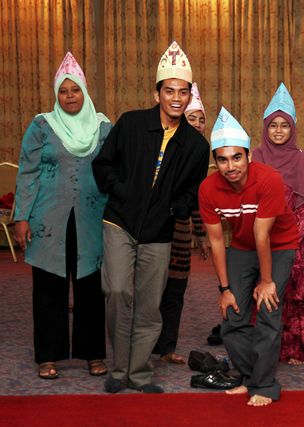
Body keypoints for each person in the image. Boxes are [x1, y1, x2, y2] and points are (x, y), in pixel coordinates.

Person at [92, 41, 210, 393]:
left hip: (160, 232)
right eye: (169, 91)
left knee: (148, 305)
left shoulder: (196, 146)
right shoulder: (131, 123)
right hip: (119, 222)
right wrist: (123, 191)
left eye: (183, 92)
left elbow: (193, 190)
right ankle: (119, 370)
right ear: (156, 93)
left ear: (189, 96)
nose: (176, 98)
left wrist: (175, 209)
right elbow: (103, 165)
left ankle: (140, 373)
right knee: (117, 291)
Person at [14, 52, 111, 380]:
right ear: (57, 95)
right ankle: (48, 355)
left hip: (91, 219)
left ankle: (93, 353)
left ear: (85, 91)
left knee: (91, 287)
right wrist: (21, 217)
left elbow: (115, 172)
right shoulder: (42, 125)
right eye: (63, 91)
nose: (69, 96)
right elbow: (27, 172)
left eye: (75, 90)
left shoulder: (103, 127)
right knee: (48, 287)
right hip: (47, 220)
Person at [198, 107, 299, 406]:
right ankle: (250, 376)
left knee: (268, 309)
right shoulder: (207, 189)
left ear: (249, 156)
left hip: (279, 245)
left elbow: (262, 235)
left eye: (237, 157)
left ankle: (265, 385)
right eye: (223, 159)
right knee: (232, 315)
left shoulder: (269, 179)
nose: (231, 166)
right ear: (215, 162)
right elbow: (217, 241)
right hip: (242, 247)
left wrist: (266, 281)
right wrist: (225, 289)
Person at [252, 83, 304, 365]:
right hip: (260, 235)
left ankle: (294, 349)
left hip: (293, 237)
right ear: (265, 128)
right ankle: (265, 347)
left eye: (284, 125)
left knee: (292, 290)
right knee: (262, 287)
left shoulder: (302, 160)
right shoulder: (256, 157)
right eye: (273, 125)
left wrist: (291, 241)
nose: (278, 131)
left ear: (293, 128)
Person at [153, 82, 210, 364]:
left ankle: (166, 348)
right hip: (156, 229)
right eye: (192, 118)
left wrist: (201, 235)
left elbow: (197, 201)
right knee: (152, 288)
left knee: (175, 290)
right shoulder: (165, 146)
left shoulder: (201, 152)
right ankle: (145, 346)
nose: (197, 124)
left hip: (181, 232)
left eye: (201, 119)